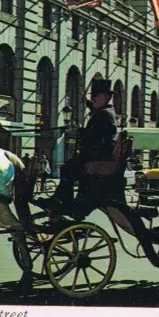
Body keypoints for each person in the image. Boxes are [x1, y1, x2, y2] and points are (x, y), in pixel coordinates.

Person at [45, 79, 117, 215]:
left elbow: (99, 137)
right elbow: (96, 117)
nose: (93, 98)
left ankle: (62, 201)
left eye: (96, 96)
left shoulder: (104, 115)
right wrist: (88, 103)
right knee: (69, 166)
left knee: (68, 167)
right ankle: (64, 200)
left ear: (106, 97)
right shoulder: (105, 112)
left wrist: (81, 132)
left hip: (99, 157)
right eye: (93, 96)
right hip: (99, 155)